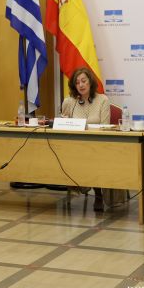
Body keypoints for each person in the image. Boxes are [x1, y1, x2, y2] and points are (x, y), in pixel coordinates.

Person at [60, 67, 110, 211]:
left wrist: (84, 125)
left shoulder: (102, 100)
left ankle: (98, 194)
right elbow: (64, 126)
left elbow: (106, 127)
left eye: (83, 81)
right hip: (76, 145)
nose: (81, 85)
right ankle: (77, 184)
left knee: (93, 157)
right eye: (77, 83)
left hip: (98, 144)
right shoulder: (69, 102)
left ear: (90, 82)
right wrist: (63, 121)